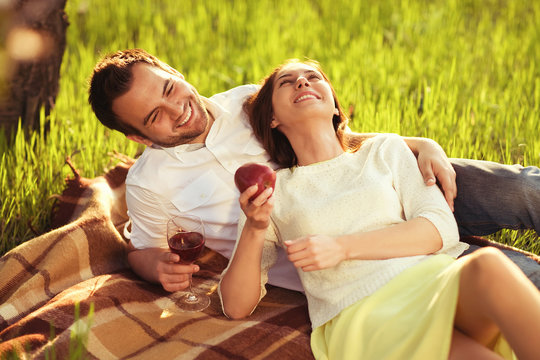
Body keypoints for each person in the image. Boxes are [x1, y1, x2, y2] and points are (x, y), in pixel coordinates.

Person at [88, 48, 540, 293]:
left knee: (522, 190)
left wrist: (420, 144)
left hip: (384, 186)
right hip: (347, 260)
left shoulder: (248, 101)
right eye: (154, 117)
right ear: (139, 139)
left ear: (173, 70)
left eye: (170, 88)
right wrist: (155, 268)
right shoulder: (150, 184)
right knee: (521, 281)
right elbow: (141, 250)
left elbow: (337, 140)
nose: (178, 109)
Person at [218, 59, 540, 359]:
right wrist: (255, 227)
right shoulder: (275, 190)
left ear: (334, 105)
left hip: (432, 280)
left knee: (488, 266)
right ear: (272, 118)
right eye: (287, 83)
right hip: (364, 313)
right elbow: (235, 306)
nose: (302, 81)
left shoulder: (385, 149)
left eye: (313, 77)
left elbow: (440, 227)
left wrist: (342, 248)